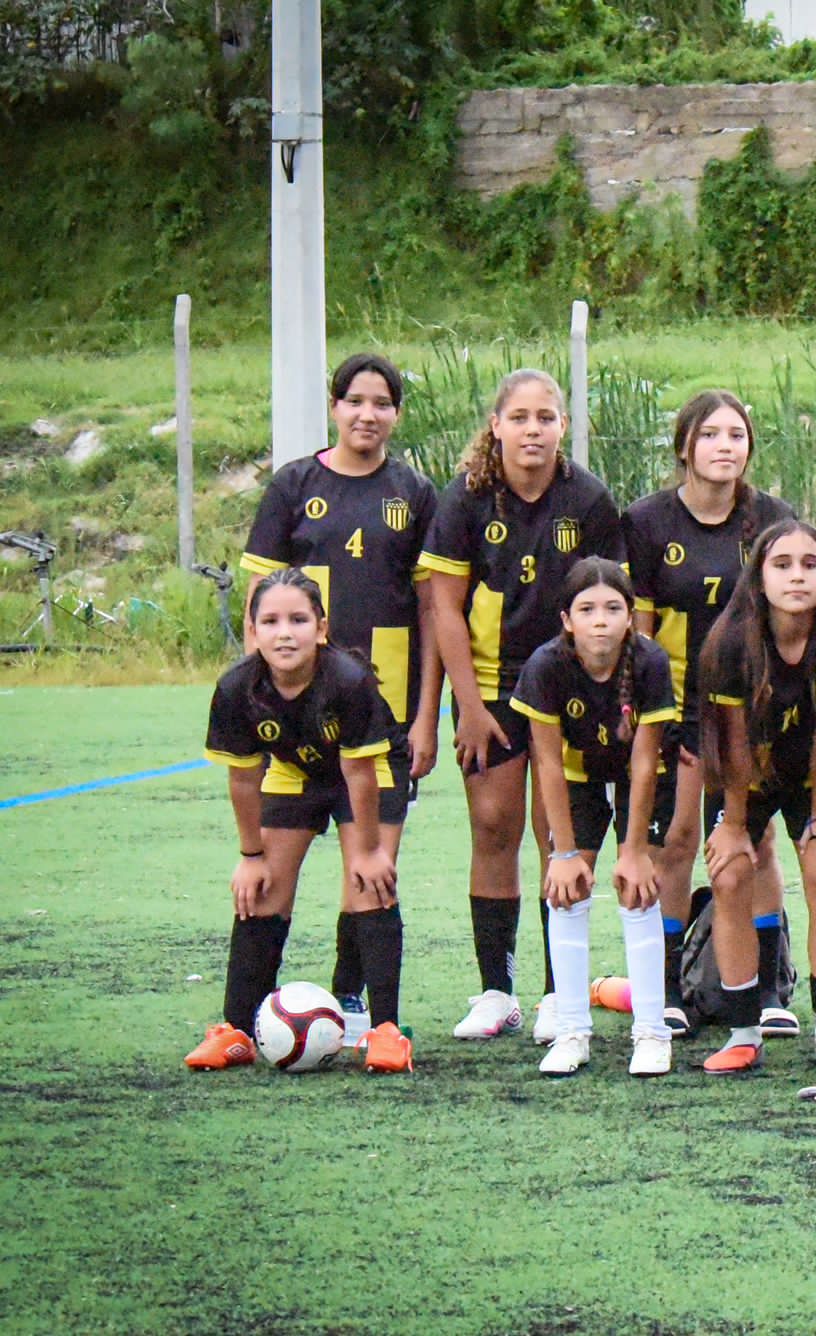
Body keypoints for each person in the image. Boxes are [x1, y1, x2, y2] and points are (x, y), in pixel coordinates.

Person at [238, 353, 441, 1034]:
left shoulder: (414, 493)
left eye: (382, 403)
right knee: (271, 868)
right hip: (294, 722)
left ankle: (353, 1002)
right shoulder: (293, 485)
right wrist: (255, 703)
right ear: (335, 407)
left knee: (372, 868)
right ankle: (244, 1019)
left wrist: (426, 719)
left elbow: (433, 610)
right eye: (355, 400)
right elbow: (257, 605)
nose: (367, 414)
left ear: (396, 414)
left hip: (382, 716)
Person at [420, 369, 625, 1043]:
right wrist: (469, 705)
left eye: (546, 417)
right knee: (493, 825)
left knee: (557, 834)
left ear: (564, 427)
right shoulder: (467, 499)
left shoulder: (589, 500)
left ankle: (555, 993)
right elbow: (444, 609)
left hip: (568, 689)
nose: (533, 429)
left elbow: (607, 606)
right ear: (497, 426)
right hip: (491, 682)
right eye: (520, 417)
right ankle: (495, 990)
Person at [623, 391, 799, 1037]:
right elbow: (635, 629)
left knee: (755, 840)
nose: (726, 446)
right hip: (674, 709)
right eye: (711, 435)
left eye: (737, 435)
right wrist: (646, 709)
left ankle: (772, 986)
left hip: (752, 708)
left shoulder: (773, 518)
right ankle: (667, 989)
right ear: (684, 447)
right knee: (673, 842)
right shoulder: (645, 521)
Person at [187, 569, 412, 1074]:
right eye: (269, 620)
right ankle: (236, 1030)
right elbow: (245, 781)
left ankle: (387, 1030)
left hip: (370, 770)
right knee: (262, 889)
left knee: (367, 884)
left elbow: (358, 771)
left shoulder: (349, 681)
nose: (284, 632)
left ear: (322, 628)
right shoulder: (235, 688)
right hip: (295, 769)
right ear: (252, 632)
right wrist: (250, 857)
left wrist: (370, 850)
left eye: (297, 619)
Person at [697, 520, 816, 1075]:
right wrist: (733, 826)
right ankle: (742, 1031)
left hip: (813, 775)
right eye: (782, 565)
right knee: (729, 876)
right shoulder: (729, 641)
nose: (796, 576)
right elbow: (731, 742)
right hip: (745, 775)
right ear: (758, 577)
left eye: (810, 564)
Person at [511, 558, 679, 1078]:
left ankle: (652, 1032)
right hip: (575, 774)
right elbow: (546, 764)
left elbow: (646, 762)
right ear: (567, 619)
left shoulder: (651, 663)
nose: (600, 620)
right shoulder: (545, 665)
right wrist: (562, 853)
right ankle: (571, 1030)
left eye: (613, 608)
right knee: (565, 888)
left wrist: (633, 852)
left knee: (638, 887)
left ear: (631, 616)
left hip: (641, 776)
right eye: (587, 609)